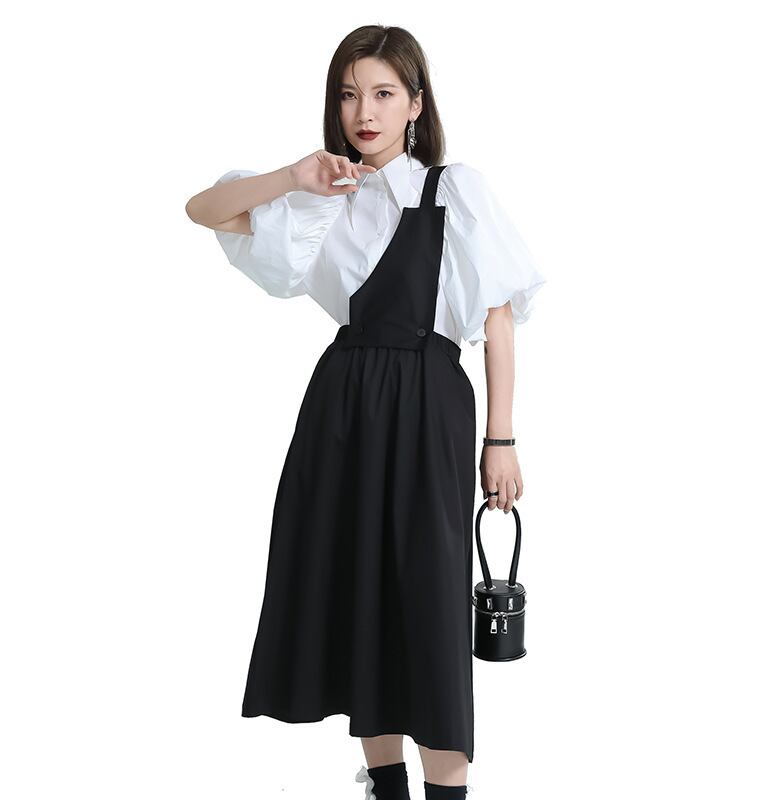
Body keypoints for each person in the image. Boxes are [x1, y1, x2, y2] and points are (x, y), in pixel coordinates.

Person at [185, 24, 546, 800]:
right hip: (342, 406)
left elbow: (497, 319)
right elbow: (203, 209)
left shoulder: (453, 190)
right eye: (349, 95)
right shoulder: (317, 200)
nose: (364, 112)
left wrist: (502, 437)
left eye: (383, 93)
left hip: (430, 402)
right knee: (358, 590)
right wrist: (294, 175)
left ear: (416, 104)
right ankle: (385, 786)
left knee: (430, 606)